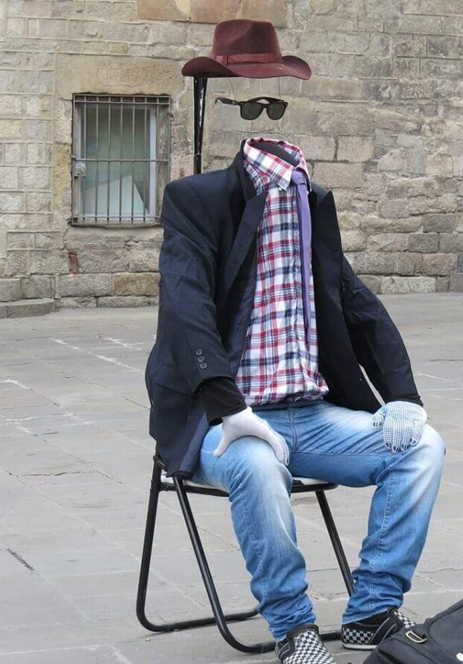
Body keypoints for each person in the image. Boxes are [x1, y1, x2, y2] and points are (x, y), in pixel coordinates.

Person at [145, 20, 445, 664]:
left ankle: (371, 611)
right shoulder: (195, 201)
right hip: (219, 419)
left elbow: (354, 301)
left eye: (274, 101)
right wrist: (232, 410)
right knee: (254, 462)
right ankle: (293, 625)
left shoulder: (309, 198)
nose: (267, 115)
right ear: (223, 106)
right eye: (252, 101)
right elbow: (186, 311)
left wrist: (403, 395)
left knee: (421, 449)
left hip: (309, 415)